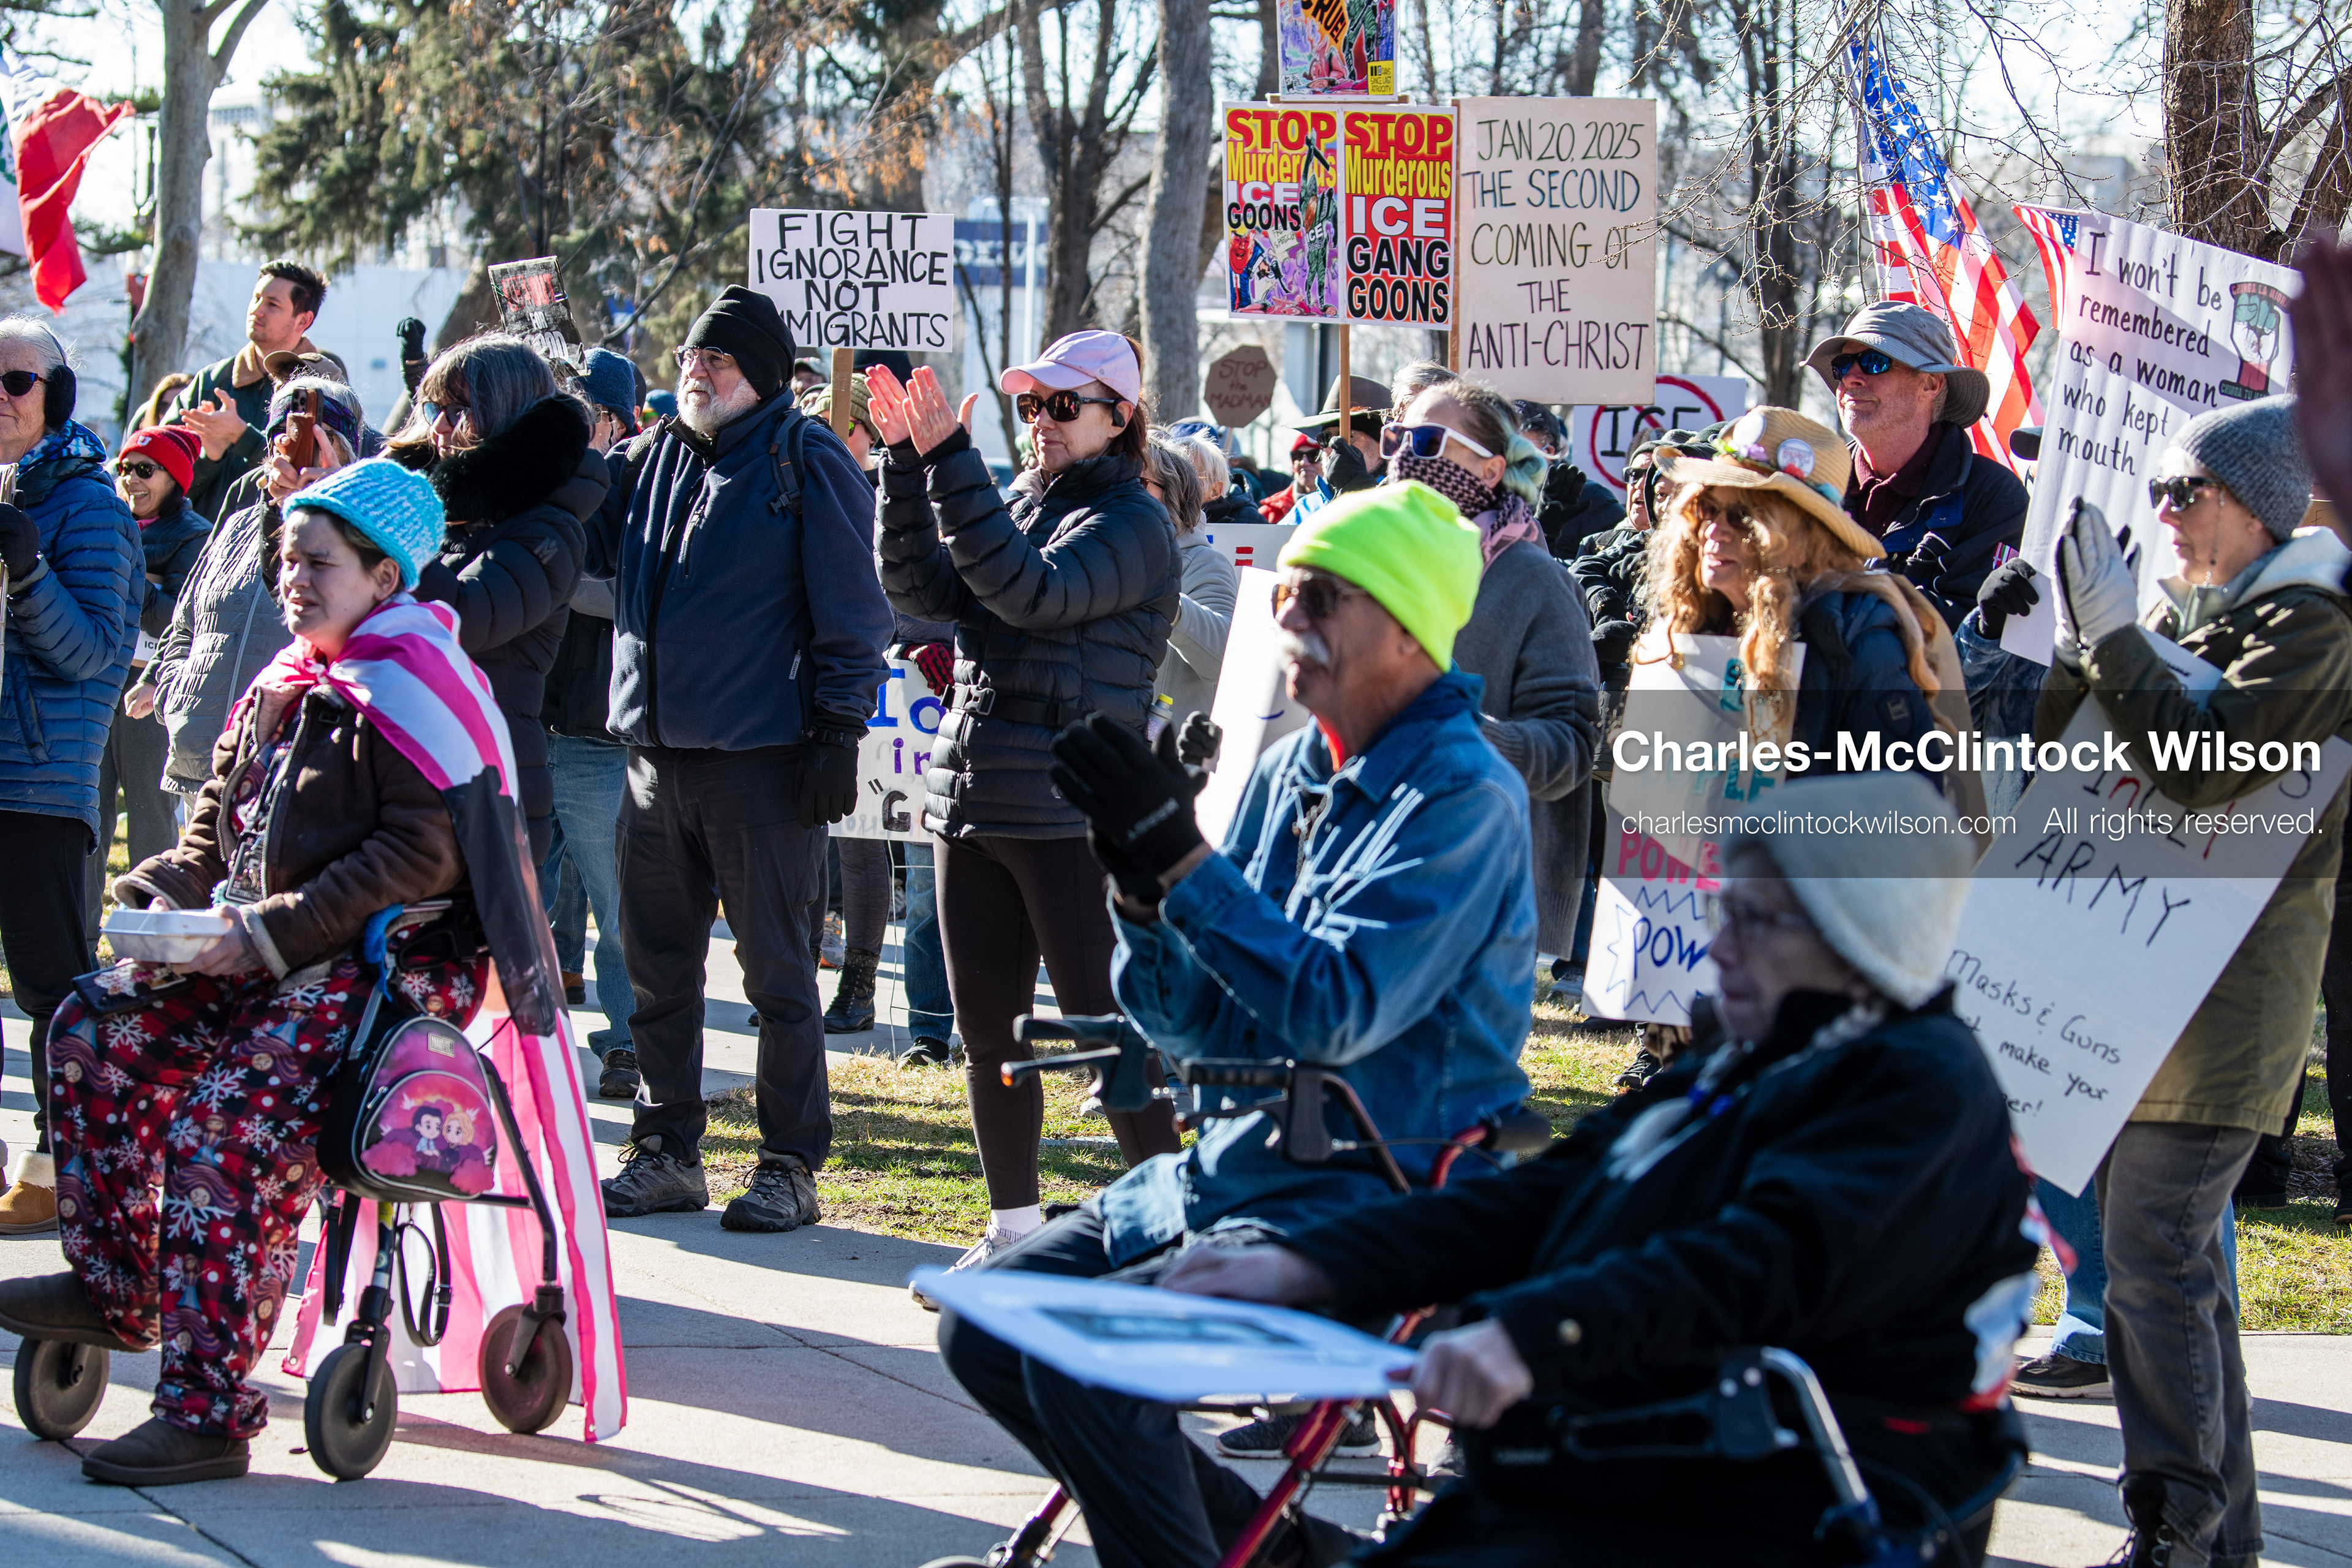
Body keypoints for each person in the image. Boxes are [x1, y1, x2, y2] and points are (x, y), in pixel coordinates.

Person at [1163, 769, 2035, 1568]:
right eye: (1723, 909)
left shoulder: (1921, 1086)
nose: (1718, 947)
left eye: (1756, 920)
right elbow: (1547, 1196)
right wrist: (1306, 1264)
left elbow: (1758, 1261)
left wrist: (1530, 1337)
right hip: (1640, 1470)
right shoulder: (1754, 1054)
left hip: (1774, 1507)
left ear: (1863, 938)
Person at [935, 483, 1537, 1568]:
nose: (1285, 619)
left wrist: (1187, 867)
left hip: (1370, 1190)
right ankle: (1273, 1556)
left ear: (1403, 627)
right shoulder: (1296, 769)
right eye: (1286, 594)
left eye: (1316, 598)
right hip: (1234, 1168)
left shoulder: (1464, 799)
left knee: (1083, 1360)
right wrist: (1142, 897)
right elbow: (1186, 1021)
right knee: (982, 1325)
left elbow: (1335, 1008)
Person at [0, 459, 492, 1485]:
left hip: (380, 971)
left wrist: (270, 931)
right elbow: (211, 833)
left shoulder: (413, 682)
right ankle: (119, 1289)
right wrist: (163, 895)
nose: (293, 580)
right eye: (286, 559)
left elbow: (422, 855)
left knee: (228, 1122)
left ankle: (209, 1409)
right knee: (90, 1026)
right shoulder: (285, 684)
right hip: (257, 954)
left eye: (316, 562)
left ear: (381, 573)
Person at [2037, 394, 2351, 1568]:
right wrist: (2074, 647)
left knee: (2152, 1258)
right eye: (2159, 490)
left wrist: (2120, 644)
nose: (2162, 511)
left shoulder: (2313, 627)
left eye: (2189, 491)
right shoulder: (2202, 615)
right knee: (2174, 1277)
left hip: (2222, 1004)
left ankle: (2171, 1530)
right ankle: (2219, 1541)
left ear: (2261, 508)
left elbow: (2207, 771)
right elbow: (2084, 759)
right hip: (2138, 982)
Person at [869, 330, 1182, 1273]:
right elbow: (922, 588)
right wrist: (901, 469)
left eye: (1062, 406)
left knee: (1102, 1037)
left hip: (1068, 813)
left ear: (1118, 418)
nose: (1039, 422)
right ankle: (1011, 1227)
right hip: (975, 799)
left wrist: (952, 461)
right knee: (989, 1037)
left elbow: (1026, 593)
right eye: (1029, 406)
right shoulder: (1021, 500)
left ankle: (1176, 1242)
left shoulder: (1134, 524)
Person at [589, 285, 891, 1232]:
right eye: (688, 357)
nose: (695, 372)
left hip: (762, 767)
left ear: (758, 373)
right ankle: (667, 1150)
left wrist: (839, 732)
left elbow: (856, 613)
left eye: (714, 361)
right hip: (652, 763)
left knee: (778, 978)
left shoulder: (806, 461)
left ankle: (789, 1165)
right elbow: (581, 538)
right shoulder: (651, 461)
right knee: (657, 973)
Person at [0, 319, 143, 1234]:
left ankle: (72, 1170)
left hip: (35, 786)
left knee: (51, 987)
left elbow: (95, 653)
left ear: (57, 393)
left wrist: (25, 568)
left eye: (15, 380)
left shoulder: (88, 505)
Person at [1389, 379, 1600, 966]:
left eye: (1429, 441)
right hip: (1377, 860)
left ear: (1489, 471)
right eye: (1396, 438)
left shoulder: (1536, 582)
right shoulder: (1372, 566)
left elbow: (1571, 747)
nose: (1405, 456)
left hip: (1481, 887)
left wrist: (1463, 728)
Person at [386, 334, 597, 865]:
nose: (438, 426)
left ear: (506, 414)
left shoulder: (550, 528)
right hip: (402, 765)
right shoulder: (432, 506)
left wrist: (388, 531)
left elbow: (459, 620)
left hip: (485, 779)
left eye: (459, 410)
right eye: (433, 406)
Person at [1645, 407, 1942, 774]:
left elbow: (1902, 808)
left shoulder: (1857, 641)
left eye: (1741, 517)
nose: (1713, 529)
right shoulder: (1692, 625)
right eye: (1708, 508)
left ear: (1802, 542)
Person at [146, 379, 361, 807]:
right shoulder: (238, 524)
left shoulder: (359, 533)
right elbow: (186, 622)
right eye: (283, 434)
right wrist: (176, 694)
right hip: (203, 762)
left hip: (293, 767)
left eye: (316, 437)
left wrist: (332, 512)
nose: (293, 446)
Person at [1804, 302, 2029, 629]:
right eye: (1843, 365)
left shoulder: (1993, 498)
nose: (1852, 378)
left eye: (1874, 362)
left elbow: (1973, 649)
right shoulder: (1812, 481)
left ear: (1931, 385)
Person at [540, 355, 639, 1087]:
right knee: (516, 904)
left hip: (597, 737)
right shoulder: (534, 479)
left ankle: (631, 1042)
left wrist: (557, 577)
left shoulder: (638, 483)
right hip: (521, 727)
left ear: (611, 417)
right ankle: (520, 1047)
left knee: (620, 908)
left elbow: (636, 593)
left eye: (576, 407)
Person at [798, 369, 895, 1036]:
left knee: (862, 845)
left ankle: (858, 983)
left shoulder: (892, 500)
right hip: (796, 686)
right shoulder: (794, 489)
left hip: (873, 693)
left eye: (838, 423)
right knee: (799, 843)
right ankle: (793, 973)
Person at [88, 424, 211, 932]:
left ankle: (144, 937)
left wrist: (118, 574)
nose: (130, 480)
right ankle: (82, 933)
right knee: (88, 824)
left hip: (150, 694)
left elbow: (172, 618)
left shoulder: (195, 535)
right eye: (124, 469)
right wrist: (146, 581)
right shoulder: (108, 522)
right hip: (95, 686)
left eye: (145, 470)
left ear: (175, 478)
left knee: (150, 821)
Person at [167, 259, 332, 522]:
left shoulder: (324, 386)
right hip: (203, 549)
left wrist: (241, 436)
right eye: (256, 299)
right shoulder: (210, 382)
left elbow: (323, 474)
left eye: (272, 304)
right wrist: (210, 457)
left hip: (285, 547)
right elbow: (159, 479)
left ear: (303, 320)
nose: (257, 310)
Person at [1144, 432, 1237, 740]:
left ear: (1172, 494)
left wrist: (1166, 600)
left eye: (1140, 483)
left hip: (1165, 763)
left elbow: (1222, 660)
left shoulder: (1205, 564)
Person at [1287, 374, 1390, 519]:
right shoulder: (1304, 509)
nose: (1331, 448)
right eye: (1325, 438)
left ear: (1382, 447)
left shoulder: (1398, 504)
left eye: (1349, 437)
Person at [1257, 430, 1324, 522]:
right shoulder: (1270, 511)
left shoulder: (1342, 503)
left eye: (1315, 456)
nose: (1304, 462)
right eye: (1298, 456)